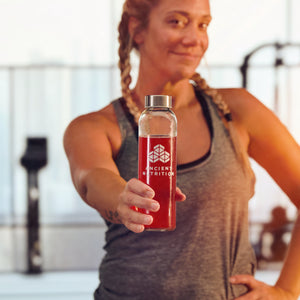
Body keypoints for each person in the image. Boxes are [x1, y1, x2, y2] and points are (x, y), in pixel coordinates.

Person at [63, 0, 300, 299]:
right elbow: (91, 179)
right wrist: (122, 198)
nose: (193, 39)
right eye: (176, 21)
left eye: (203, 25)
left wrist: (287, 291)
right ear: (137, 30)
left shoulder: (236, 112)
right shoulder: (96, 127)